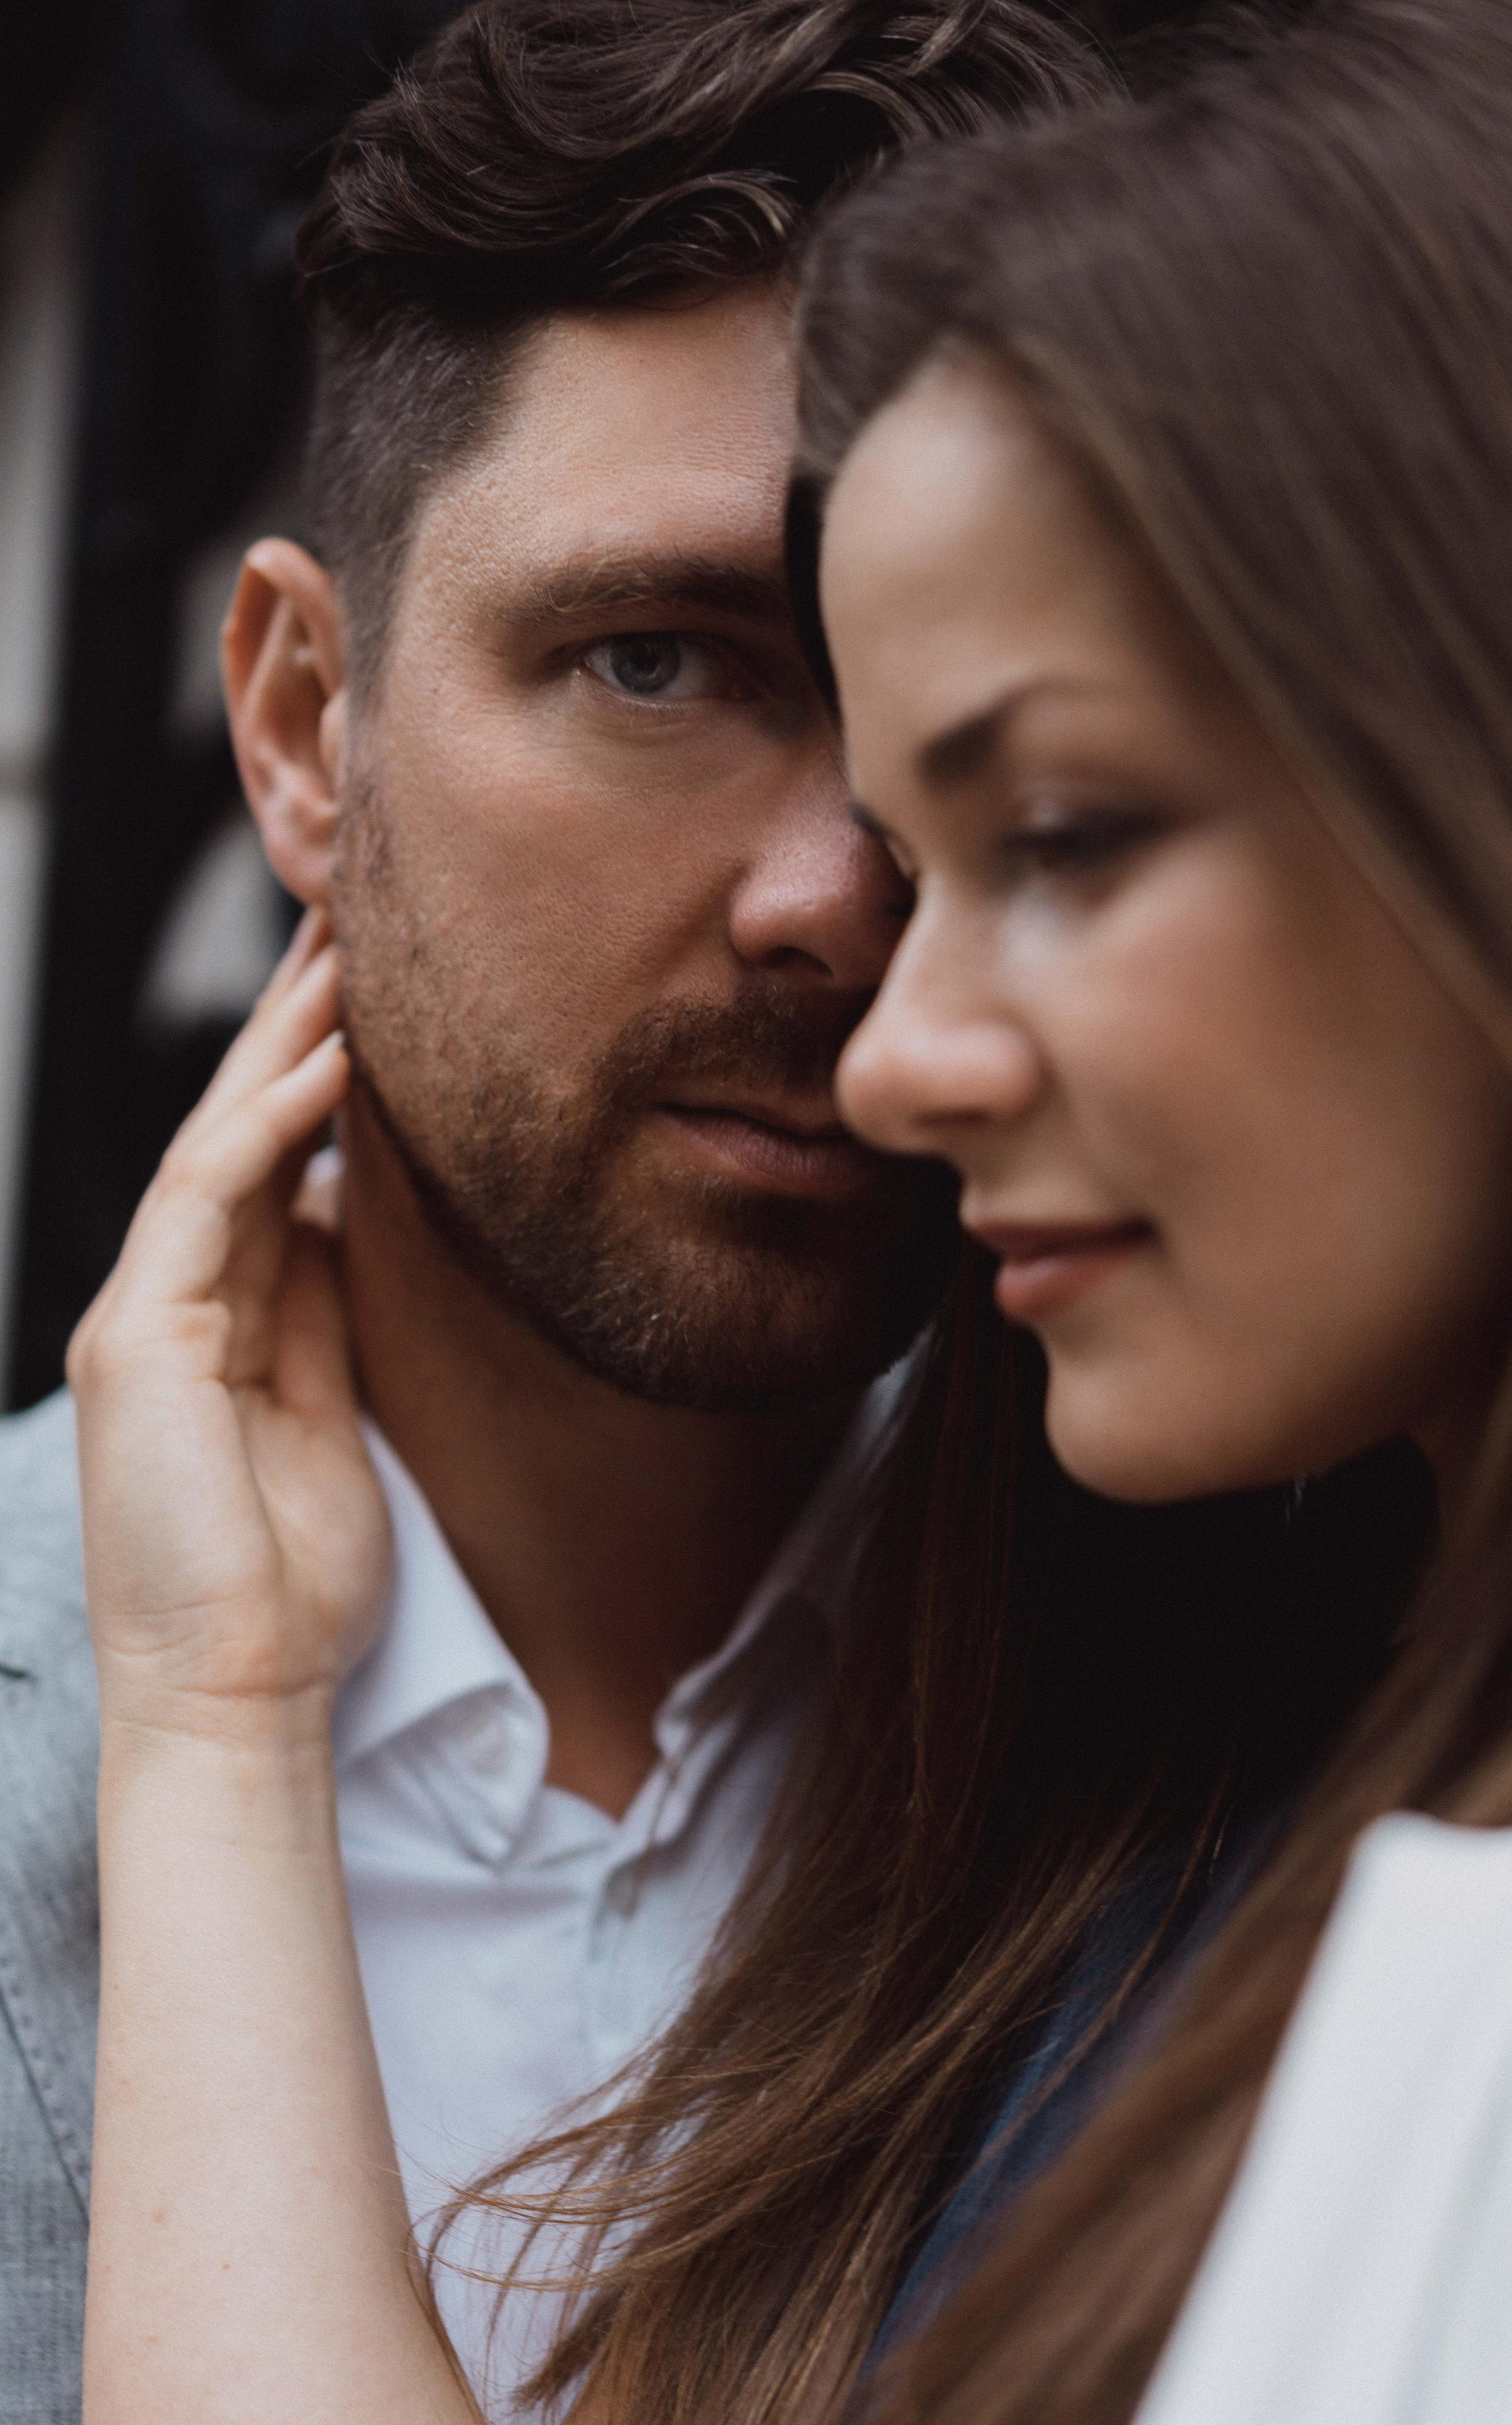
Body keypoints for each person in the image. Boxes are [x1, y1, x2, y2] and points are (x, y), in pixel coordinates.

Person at [0, 4, 1112, 2417]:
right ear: (297, 726)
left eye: (946, 713)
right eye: (655, 662)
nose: (831, 896)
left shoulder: (1262, 1737)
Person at [788, 0, 1512, 2412]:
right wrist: (217, 1720)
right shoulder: (1187, 1810)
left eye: (1068, 836)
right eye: (914, 877)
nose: (892, 1060)